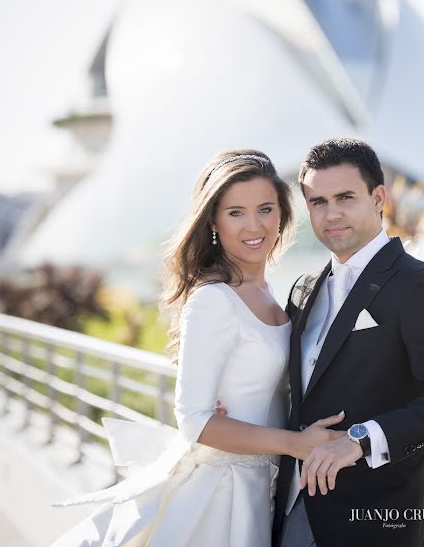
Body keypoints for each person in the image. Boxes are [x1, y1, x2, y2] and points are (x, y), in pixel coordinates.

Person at [51, 149, 345, 547]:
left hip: (263, 483)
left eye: (265, 208)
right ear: (213, 221)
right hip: (221, 493)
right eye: (235, 212)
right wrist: (294, 444)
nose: (253, 225)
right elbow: (195, 421)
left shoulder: (266, 291)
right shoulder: (213, 299)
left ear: (282, 215)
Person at [273, 138, 424, 547]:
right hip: (289, 505)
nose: (331, 214)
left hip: (371, 519)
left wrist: (361, 439)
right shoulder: (303, 289)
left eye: (345, 198)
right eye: (318, 202)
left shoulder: (417, 284)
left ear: (378, 198)